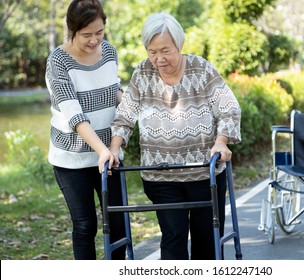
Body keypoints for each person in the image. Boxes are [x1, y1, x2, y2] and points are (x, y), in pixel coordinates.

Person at [107, 12, 241, 260]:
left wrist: (221, 142)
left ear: (180, 44)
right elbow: (124, 115)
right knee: (173, 237)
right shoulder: (142, 73)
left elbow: (229, 108)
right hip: (161, 175)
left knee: (207, 241)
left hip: (204, 173)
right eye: (152, 51)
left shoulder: (201, 69)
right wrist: (115, 147)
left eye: (165, 50)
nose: (159, 58)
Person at [45, 0, 126, 260]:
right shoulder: (58, 61)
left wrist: (132, 110)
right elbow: (74, 115)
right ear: (72, 30)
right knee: (85, 226)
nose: (94, 41)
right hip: (72, 159)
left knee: (119, 224)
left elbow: (114, 92)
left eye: (99, 32)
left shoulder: (110, 52)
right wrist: (102, 150)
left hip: (109, 155)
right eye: (87, 35)